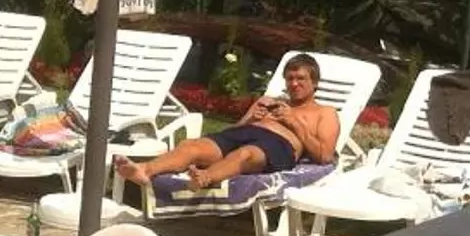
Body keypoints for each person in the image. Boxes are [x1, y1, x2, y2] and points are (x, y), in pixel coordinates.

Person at [116, 53, 340, 190]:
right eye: (290, 78)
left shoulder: (325, 113)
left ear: (315, 83)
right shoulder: (269, 101)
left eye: (301, 79)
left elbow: (325, 156)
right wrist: (251, 118)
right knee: (191, 146)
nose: (294, 84)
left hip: (279, 145)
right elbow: (234, 131)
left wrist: (295, 123)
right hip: (247, 133)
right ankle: (144, 170)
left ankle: (205, 177)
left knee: (245, 154)